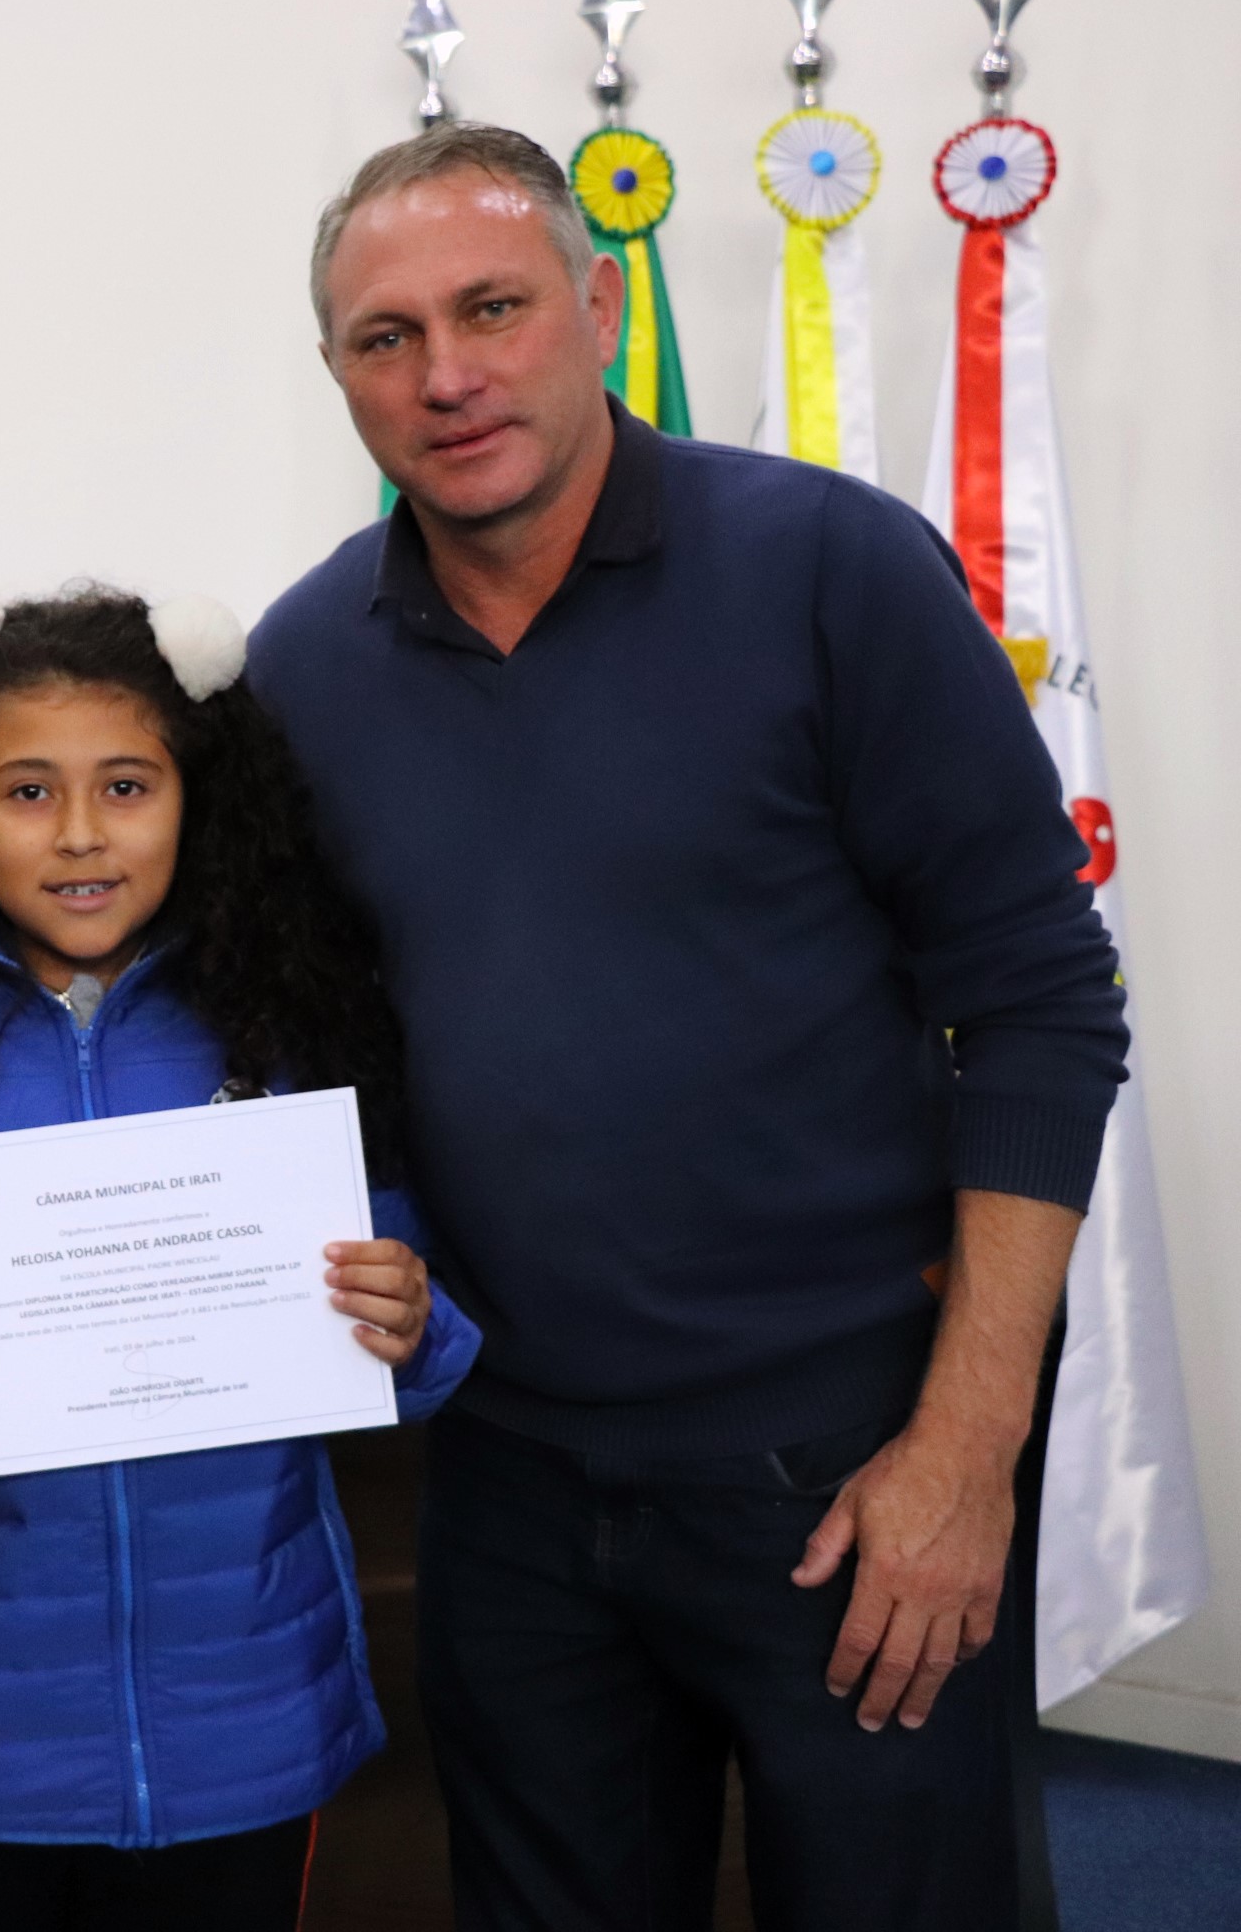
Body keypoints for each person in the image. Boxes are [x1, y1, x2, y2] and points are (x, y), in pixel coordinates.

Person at [251, 123, 1128, 1932]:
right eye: (387, 337)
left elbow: (1041, 999)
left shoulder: (831, 570)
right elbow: (319, 1050)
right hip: (506, 1475)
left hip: (850, 1462)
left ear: (596, 308)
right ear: (335, 374)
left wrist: (967, 1448)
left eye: (492, 308)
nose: (446, 374)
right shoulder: (304, 665)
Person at [0, 586, 480, 1932]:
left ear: (196, 800)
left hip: (236, 1720)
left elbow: (398, 1280)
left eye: (127, 785)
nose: (79, 833)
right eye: (27, 791)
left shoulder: (290, 1019)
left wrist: (412, 1323)